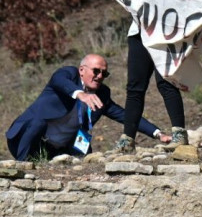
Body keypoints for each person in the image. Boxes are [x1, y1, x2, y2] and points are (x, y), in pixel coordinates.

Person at [103, 0, 190, 153]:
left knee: (167, 83)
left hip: (167, 33)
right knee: (135, 87)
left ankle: (179, 134)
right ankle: (127, 138)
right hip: (140, 31)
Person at [5, 54, 170, 161]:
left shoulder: (102, 94)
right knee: (37, 122)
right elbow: (59, 81)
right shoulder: (68, 74)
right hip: (26, 138)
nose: (99, 76)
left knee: (85, 148)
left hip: (59, 148)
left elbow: (124, 115)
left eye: (104, 74)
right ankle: (21, 165)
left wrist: (157, 133)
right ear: (82, 70)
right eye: (96, 71)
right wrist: (80, 94)